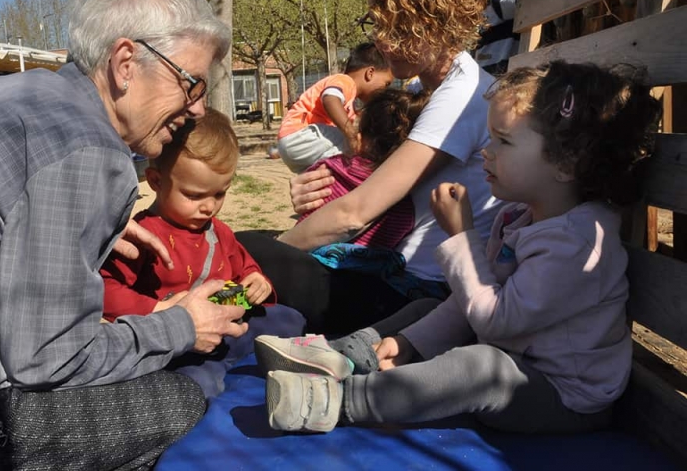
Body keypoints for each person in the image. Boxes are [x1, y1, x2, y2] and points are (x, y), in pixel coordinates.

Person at [0, 0, 249, 470]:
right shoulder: (85, 149)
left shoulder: (22, 100)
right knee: (182, 399)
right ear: (125, 63)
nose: (197, 109)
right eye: (190, 84)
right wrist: (180, 327)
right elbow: (50, 361)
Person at [256, 60, 662, 435]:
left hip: (565, 396)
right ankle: (350, 355)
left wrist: (462, 237)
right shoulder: (522, 216)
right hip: (518, 353)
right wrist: (408, 341)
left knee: (480, 368)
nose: (487, 150)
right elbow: (470, 304)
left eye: (503, 141)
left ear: (565, 163)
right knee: (433, 307)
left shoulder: (579, 242)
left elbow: (494, 320)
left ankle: (340, 400)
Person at [238, 0, 502, 334]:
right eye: (377, 23)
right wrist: (314, 192)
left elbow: (353, 214)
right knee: (246, 244)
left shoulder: (461, 100)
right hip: (385, 271)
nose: (381, 39)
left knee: (246, 252)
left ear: (436, 22)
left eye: (395, 25)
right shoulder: (420, 93)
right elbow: (356, 186)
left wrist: (274, 249)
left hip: (412, 297)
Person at [101, 108, 305, 398]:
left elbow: (244, 268)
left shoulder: (217, 231)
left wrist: (258, 282)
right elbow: (105, 290)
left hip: (227, 329)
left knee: (289, 318)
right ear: (156, 181)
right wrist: (158, 311)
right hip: (180, 346)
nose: (209, 207)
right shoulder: (144, 236)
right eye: (194, 196)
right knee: (199, 384)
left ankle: (239, 365)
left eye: (219, 194)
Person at [298, 87, 431, 249]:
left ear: (360, 140)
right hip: (366, 269)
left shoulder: (327, 168)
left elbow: (305, 209)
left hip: (307, 253)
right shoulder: (406, 204)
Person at [276, 42, 394, 173]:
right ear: (370, 73)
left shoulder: (350, 102)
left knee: (334, 164)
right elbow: (330, 100)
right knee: (351, 145)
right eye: (386, 83)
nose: (385, 90)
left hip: (300, 146)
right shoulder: (344, 81)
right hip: (299, 134)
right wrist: (352, 135)